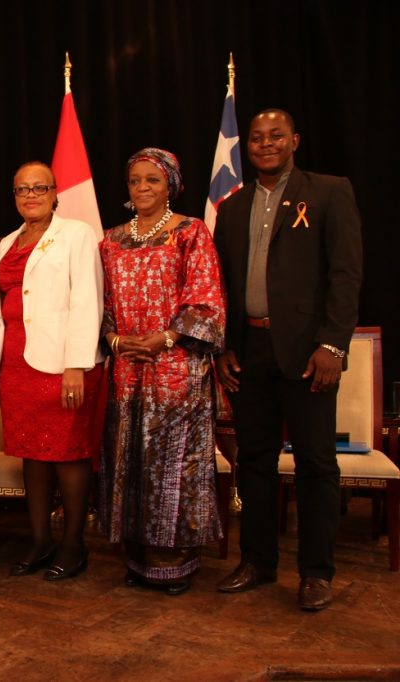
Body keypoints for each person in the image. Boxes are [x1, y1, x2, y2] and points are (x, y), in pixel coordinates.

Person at [214, 109, 362, 611]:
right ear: (248, 147)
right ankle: (257, 562)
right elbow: (226, 287)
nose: (265, 143)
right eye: (256, 138)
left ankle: (317, 573)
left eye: (276, 135)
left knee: (316, 465)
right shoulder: (232, 208)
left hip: (308, 353)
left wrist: (334, 346)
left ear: (294, 140)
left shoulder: (329, 191)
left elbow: (345, 276)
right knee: (253, 460)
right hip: (249, 352)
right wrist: (226, 345)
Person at [98, 147, 226, 595]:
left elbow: (206, 300)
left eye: (152, 180)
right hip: (128, 370)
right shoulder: (110, 239)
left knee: (173, 465)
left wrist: (165, 339)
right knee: (131, 460)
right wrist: (115, 342)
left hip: (176, 369)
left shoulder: (190, 233)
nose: (143, 188)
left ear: (169, 184)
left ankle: (174, 564)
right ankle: (136, 560)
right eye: (135, 180)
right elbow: (102, 306)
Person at [0, 161, 105, 581]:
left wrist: (76, 364)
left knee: (69, 454)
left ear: (55, 192)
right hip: (17, 364)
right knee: (32, 455)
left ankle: (74, 545)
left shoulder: (75, 234)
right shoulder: (6, 243)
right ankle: (40, 540)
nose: (31, 195)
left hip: (63, 365)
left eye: (40, 187)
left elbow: (87, 301)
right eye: (22, 189)